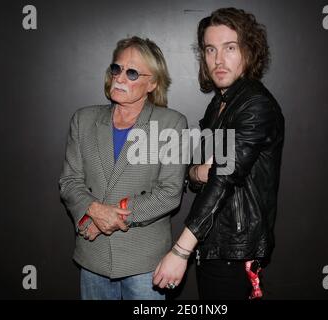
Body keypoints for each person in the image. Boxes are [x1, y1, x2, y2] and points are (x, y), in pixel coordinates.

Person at [153, 7, 285, 300]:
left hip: (237, 250)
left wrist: (180, 250)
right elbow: (197, 171)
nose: (218, 59)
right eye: (210, 49)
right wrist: (198, 171)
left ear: (249, 52)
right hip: (213, 244)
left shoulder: (255, 105)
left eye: (230, 48)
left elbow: (222, 178)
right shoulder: (219, 105)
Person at [59, 36, 187, 300]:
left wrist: (111, 218)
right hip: (92, 256)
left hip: (145, 263)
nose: (119, 78)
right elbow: (70, 182)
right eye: (116, 69)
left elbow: (170, 192)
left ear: (152, 83)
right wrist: (93, 212)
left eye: (132, 73)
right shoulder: (83, 120)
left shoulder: (171, 124)